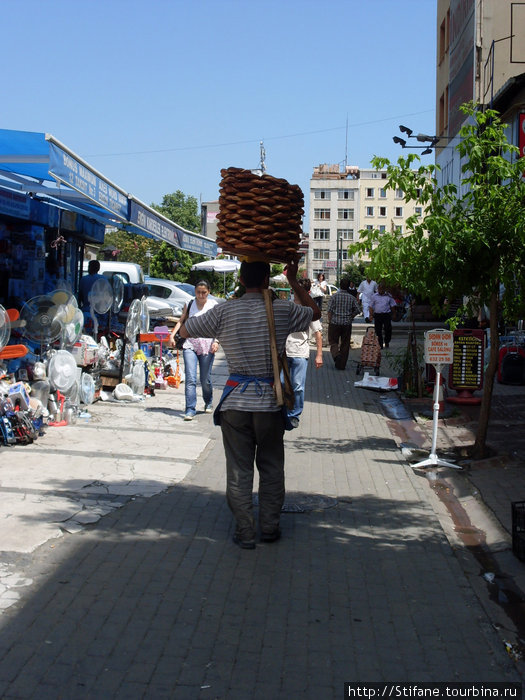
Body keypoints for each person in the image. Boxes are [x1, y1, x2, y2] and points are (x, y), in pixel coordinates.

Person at [178, 259, 320, 549]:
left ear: (241, 280)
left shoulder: (224, 310)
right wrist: (293, 280)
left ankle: (245, 531)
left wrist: (187, 319)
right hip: (270, 402)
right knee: (271, 468)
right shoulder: (282, 308)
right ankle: (269, 527)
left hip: (235, 404)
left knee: (239, 471)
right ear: (267, 279)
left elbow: (185, 332)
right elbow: (314, 312)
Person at [169, 280, 219, 421]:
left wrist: (216, 341)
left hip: (207, 345)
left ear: (208, 292)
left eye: (204, 292)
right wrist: (172, 335)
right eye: (198, 292)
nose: (201, 295)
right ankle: (190, 409)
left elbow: (218, 324)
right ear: (195, 292)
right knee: (190, 378)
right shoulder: (190, 304)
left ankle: (208, 401)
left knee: (205, 379)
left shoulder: (213, 305)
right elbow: (181, 320)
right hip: (190, 343)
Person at [284, 278, 323, 428]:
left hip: (300, 353)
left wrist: (319, 355)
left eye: (299, 291)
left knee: (297, 386)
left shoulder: (309, 310)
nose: (295, 294)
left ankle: (294, 414)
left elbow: (318, 333)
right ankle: (284, 411)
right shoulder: (287, 307)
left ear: (306, 292)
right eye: (294, 290)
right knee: (281, 383)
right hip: (283, 352)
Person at [327, 277, 361, 370]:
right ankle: (341, 365)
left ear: (340, 285)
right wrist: (351, 316)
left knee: (333, 341)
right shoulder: (352, 298)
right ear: (348, 287)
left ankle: (336, 355)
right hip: (346, 323)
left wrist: (330, 321)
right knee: (345, 344)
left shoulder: (334, 296)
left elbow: (329, 310)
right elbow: (358, 310)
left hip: (335, 322)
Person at [369, 283, 397, 349]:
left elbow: (393, 305)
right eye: (379, 289)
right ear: (378, 289)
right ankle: (380, 344)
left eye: (382, 289)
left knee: (388, 328)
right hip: (377, 315)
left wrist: (394, 314)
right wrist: (371, 315)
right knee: (378, 330)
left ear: (384, 289)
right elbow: (370, 306)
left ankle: (387, 341)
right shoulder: (374, 296)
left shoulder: (389, 296)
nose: (381, 290)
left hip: (386, 315)